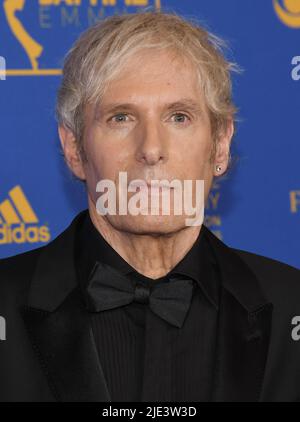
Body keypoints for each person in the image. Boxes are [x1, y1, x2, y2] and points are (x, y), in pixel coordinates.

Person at [0, 10, 299, 402]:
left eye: (179, 117)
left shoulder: (292, 303)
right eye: (121, 117)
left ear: (220, 144)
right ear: (75, 149)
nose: (152, 150)